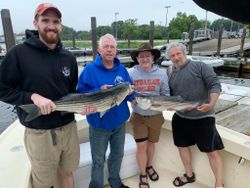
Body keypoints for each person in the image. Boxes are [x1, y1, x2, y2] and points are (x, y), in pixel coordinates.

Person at [0, 3, 95, 188]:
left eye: (56, 21)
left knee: (68, 172)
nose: (51, 25)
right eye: (45, 20)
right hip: (39, 133)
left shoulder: (68, 57)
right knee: (44, 183)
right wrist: (32, 97)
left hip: (68, 128)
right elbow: (2, 89)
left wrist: (83, 106)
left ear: (60, 25)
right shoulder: (18, 54)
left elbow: (71, 93)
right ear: (35, 23)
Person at [77, 33, 133, 188]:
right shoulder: (89, 70)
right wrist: (98, 90)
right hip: (98, 125)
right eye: (106, 46)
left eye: (112, 47)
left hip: (120, 123)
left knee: (117, 155)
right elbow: (80, 93)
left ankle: (115, 182)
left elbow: (130, 91)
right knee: (98, 160)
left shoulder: (122, 70)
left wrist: (132, 94)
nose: (109, 50)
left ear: (116, 50)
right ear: (99, 50)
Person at [166, 42, 224, 188]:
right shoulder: (171, 73)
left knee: (212, 152)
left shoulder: (200, 66)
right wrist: (170, 105)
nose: (176, 57)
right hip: (181, 117)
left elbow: (215, 84)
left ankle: (218, 184)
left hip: (203, 117)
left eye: (178, 53)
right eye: (172, 55)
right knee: (182, 146)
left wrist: (211, 103)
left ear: (184, 53)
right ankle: (189, 174)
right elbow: (172, 95)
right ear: (170, 58)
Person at [128, 43, 170, 188]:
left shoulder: (162, 73)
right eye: (141, 56)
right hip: (138, 116)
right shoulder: (130, 73)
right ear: (137, 59)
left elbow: (166, 95)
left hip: (156, 116)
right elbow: (126, 93)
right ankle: (143, 174)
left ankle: (149, 166)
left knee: (151, 145)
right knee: (141, 146)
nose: (144, 58)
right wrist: (131, 98)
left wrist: (166, 105)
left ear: (153, 58)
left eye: (147, 56)